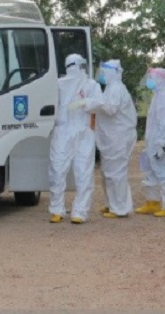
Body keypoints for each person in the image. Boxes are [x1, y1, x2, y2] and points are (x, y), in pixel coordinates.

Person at [48, 54, 103, 224]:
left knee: (84, 172)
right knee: (57, 171)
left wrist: (85, 102)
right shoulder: (58, 84)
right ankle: (57, 209)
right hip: (62, 130)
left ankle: (80, 211)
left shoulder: (92, 85)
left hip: (84, 131)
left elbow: (100, 103)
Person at [94, 59, 138, 219]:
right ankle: (112, 204)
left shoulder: (117, 89)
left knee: (116, 173)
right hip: (112, 137)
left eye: (104, 72)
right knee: (108, 173)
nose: (102, 75)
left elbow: (110, 109)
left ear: (112, 72)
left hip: (118, 137)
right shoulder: (111, 88)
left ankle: (120, 208)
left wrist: (92, 103)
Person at [135, 67, 165, 217]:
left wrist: (161, 143)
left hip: (163, 144)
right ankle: (152, 202)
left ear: (159, 80)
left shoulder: (163, 97)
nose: (149, 81)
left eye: (151, 78)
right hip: (155, 142)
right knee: (151, 172)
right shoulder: (158, 96)